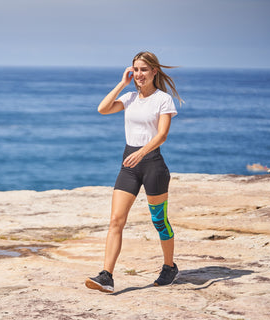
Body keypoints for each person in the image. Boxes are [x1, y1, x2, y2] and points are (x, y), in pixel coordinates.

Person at [85, 51, 183, 293]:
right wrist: (122, 83)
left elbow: (162, 135)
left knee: (159, 221)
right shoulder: (129, 97)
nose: (139, 74)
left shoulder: (163, 99)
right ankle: (106, 276)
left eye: (143, 70)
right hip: (129, 167)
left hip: (153, 166)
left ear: (154, 72)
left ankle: (169, 267)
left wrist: (142, 152)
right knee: (116, 220)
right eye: (135, 70)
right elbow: (102, 109)